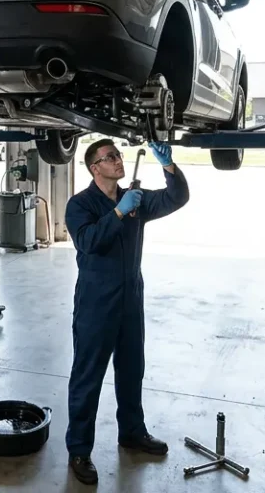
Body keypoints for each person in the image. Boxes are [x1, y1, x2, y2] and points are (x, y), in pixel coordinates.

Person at [63, 139, 189, 485]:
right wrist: (118, 213)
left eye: (118, 155)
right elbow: (89, 242)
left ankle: (132, 432)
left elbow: (176, 198)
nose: (118, 161)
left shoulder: (135, 198)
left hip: (131, 297)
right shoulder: (80, 204)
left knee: (132, 369)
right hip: (96, 302)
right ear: (95, 168)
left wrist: (168, 166)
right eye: (110, 158)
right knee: (88, 376)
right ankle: (79, 450)